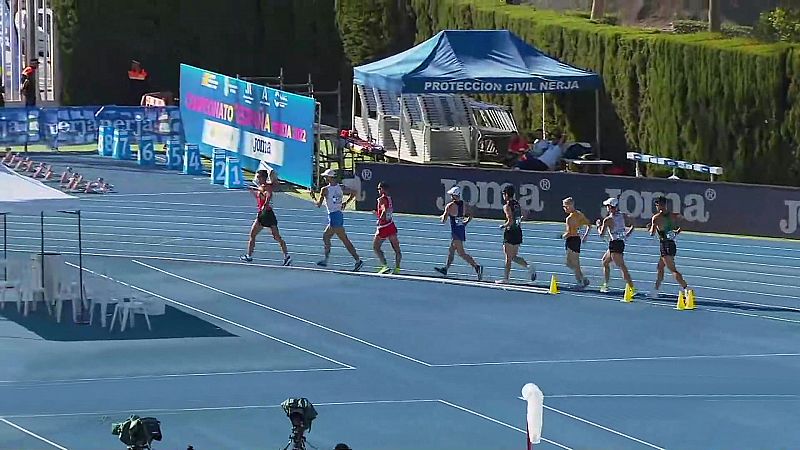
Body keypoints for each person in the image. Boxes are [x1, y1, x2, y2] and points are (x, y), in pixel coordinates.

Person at [310, 168, 364, 271]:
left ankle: (358, 260)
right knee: (327, 237)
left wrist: (313, 197)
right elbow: (354, 192)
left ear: (330, 178)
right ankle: (326, 260)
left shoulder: (325, 189)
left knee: (343, 240)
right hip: (338, 215)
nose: (325, 178)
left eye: (326, 177)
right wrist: (346, 203)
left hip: (334, 216)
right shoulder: (341, 187)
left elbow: (318, 204)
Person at [240, 169, 291, 265]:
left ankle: (287, 256)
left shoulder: (267, 187)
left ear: (263, 177)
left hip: (267, 214)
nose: (257, 178)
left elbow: (268, 195)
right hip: (262, 214)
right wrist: (253, 192)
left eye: (259, 177)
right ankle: (249, 256)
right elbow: (261, 198)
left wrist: (265, 204)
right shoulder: (261, 187)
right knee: (253, 235)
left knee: (276, 237)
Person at [435, 186, 483, 280]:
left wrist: (442, 216)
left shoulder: (450, 206)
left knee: (461, 253)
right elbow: (471, 214)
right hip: (461, 230)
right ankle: (446, 268)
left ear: (453, 196)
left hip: (455, 232)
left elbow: (443, 221)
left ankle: (477, 267)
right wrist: (465, 222)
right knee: (451, 250)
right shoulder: (464, 205)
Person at [647, 196, 690, 298]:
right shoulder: (673, 215)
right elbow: (683, 221)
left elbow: (652, 234)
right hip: (671, 244)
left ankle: (686, 289)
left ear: (658, 205)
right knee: (660, 267)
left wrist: (650, 227)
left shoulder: (656, 218)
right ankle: (655, 291)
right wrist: (677, 231)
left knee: (672, 270)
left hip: (665, 245)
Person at [496, 185, 536, 284]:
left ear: (505, 194)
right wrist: (520, 219)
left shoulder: (507, 206)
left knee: (508, 258)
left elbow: (510, 220)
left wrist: (503, 226)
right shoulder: (517, 204)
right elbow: (525, 214)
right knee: (513, 256)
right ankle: (528, 266)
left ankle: (506, 278)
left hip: (510, 232)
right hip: (518, 231)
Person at [596, 197, 635, 294]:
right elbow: (633, 225)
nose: (607, 208)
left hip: (615, 244)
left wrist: (598, 226)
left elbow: (601, 234)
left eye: (608, 206)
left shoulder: (608, 220)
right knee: (605, 262)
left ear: (610, 207)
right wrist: (626, 235)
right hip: (619, 243)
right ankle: (606, 284)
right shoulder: (623, 215)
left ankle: (632, 288)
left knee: (621, 266)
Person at [561, 197, 591, 289]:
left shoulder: (569, 218)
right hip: (576, 240)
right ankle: (583, 278)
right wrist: (585, 235)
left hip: (572, 240)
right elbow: (589, 224)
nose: (564, 208)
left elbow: (570, 232)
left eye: (565, 206)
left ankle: (580, 281)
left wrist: (563, 235)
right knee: (569, 263)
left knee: (574, 263)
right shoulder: (579, 214)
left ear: (570, 206)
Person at [373, 181, 401, 274]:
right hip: (391, 225)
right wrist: (377, 213)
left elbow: (384, 210)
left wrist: (379, 219)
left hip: (383, 227)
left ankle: (385, 266)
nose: (378, 190)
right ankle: (397, 268)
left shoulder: (381, 199)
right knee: (397, 249)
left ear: (383, 189)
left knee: (376, 247)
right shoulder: (389, 199)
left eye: (379, 189)